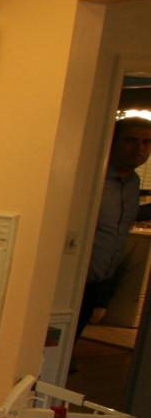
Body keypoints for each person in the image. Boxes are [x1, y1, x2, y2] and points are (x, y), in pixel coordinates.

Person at [79, 115, 151, 336]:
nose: (139, 149)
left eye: (147, 142)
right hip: (73, 278)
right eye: (131, 140)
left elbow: (119, 224)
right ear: (112, 142)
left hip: (100, 280)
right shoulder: (91, 177)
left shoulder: (133, 183)